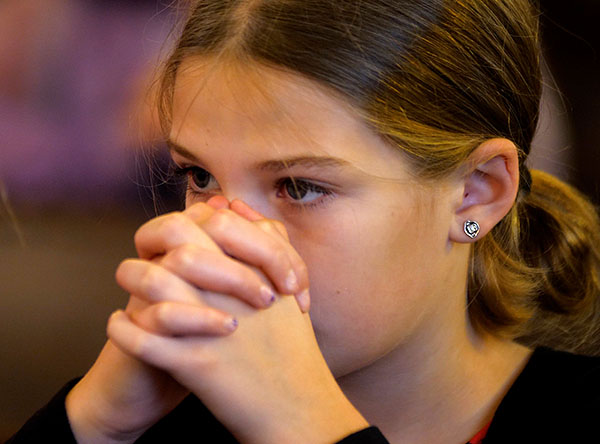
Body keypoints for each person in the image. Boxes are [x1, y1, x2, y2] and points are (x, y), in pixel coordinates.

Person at [9, 0, 600, 443]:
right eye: (200, 178)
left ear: (475, 196)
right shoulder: (165, 417)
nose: (225, 245)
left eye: (299, 187)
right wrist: (95, 422)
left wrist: (310, 428)